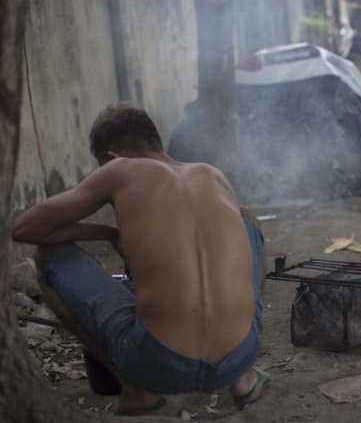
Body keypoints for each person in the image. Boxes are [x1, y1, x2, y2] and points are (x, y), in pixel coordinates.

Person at [11, 103, 270, 416]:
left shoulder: (121, 169)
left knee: (47, 254)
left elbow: (25, 229)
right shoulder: (211, 174)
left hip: (159, 364)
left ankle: (136, 391)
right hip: (240, 354)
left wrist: (109, 234)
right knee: (246, 220)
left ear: (111, 158)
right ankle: (244, 378)